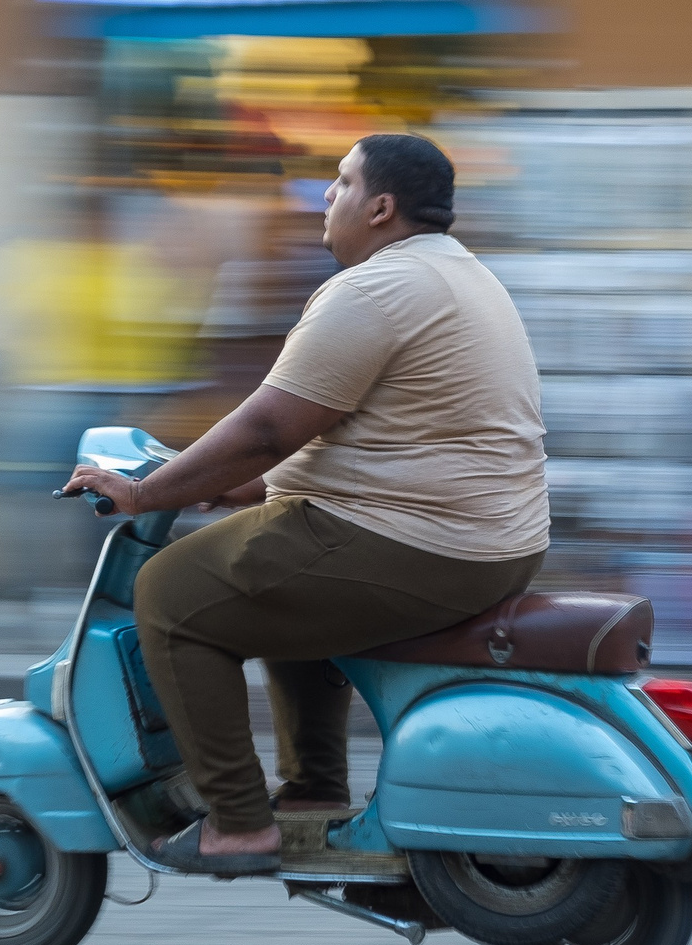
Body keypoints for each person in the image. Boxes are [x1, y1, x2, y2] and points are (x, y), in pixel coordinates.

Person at [59, 132, 548, 875]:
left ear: (381, 207)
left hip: (426, 544)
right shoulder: (462, 275)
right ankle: (311, 791)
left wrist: (143, 492)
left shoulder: (377, 288)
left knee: (170, 594)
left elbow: (266, 426)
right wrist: (248, 486)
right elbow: (379, 433)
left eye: (342, 182)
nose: (325, 195)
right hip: (488, 541)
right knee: (269, 550)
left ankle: (237, 821)